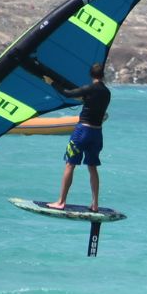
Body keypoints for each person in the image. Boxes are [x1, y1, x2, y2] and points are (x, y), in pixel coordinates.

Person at [48, 63, 110, 212]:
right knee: (92, 167)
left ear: (91, 75)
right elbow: (94, 104)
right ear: (103, 75)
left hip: (82, 131)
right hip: (97, 133)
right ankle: (95, 204)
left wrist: (52, 84)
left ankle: (61, 202)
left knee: (70, 164)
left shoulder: (88, 89)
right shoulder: (107, 92)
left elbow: (67, 93)